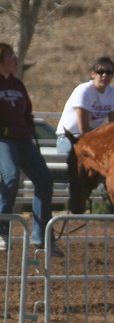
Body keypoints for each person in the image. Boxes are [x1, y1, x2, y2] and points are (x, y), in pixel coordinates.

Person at [0, 42, 54, 252]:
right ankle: (2, 229)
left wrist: (28, 129)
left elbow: (27, 111)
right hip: (3, 139)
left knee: (44, 179)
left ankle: (40, 235)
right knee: (12, 176)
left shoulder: (17, 84)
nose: (15, 59)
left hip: (22, 138)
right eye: (10, 55)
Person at [55, 57, 114, 153]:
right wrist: (103, 136)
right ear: (93, 74)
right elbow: (84, 129)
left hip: (93, 137)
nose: (104, 75)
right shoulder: (84, 90)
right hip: (69, 137)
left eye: (109, 72)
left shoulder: (112, 92)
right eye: (100, 71)